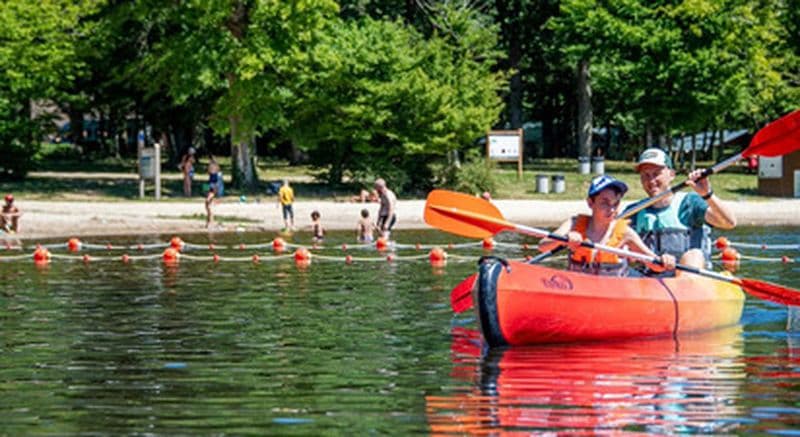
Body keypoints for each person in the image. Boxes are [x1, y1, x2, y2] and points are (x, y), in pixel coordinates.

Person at [622, 147, 737, 271]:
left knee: (693, 256)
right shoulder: (634, 211)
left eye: (656, 174)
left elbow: (729, 223)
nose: (651, 181)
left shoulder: (690, 204)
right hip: (648, 278)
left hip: (688, 276)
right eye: (645, 175)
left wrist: (707, 194)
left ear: (672, 175)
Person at [539, 175, 676, 276]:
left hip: (613, 295)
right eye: (605, 203)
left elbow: (654, 264)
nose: (611, 209)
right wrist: (564, 239)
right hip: (579, 291)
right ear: (590, 203)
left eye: (615, 204)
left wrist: (664, 261)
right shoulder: (573, 224)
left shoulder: (626, 233)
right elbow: (543, 246)